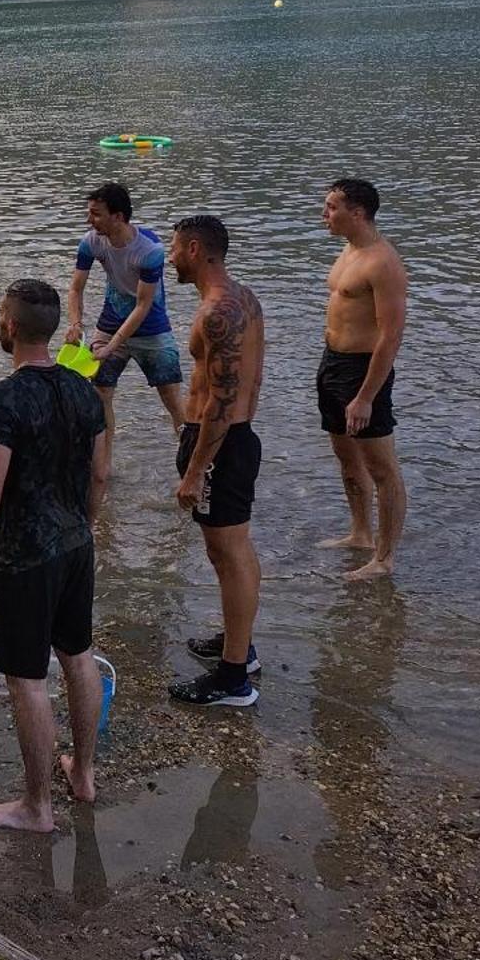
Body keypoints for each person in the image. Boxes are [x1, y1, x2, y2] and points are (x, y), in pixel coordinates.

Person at [0, 279, 109, 831]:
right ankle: (82, 776)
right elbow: (101, 472)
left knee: (28, 679)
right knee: (78, 656)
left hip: (24, 557)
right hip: (76, 544)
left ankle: (37, 807)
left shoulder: (5, 398)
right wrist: (85, 524)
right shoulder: (85, 388)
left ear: (11, 327)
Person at [168, 215, 265, 708]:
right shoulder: (243, 297)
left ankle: (233, 680)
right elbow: (253, 382)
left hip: (220, 445)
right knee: (230, 551)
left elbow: (222, 402)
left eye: (174, 248)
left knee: (229, 555)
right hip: (235, 439)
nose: (168, 257)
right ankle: (238, 648)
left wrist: (195, 469)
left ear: (194, 248)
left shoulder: (217, 312)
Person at [317, 178, 409, 581]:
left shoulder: (383, 262)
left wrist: (367, 396)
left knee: (382, 469)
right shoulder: (348, 251)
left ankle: (384, 559)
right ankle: (360, 533)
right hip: (332, 364)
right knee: (346, 458)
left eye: (332, 207)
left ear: (358, 213)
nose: (325, 214)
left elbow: (390, 336)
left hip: (363, 372)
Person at [66, 182, 185, 466]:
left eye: (95, 214)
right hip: (110, 321)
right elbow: (75, 289)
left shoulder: (150, 249)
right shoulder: (91, 241)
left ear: (118, 216)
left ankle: (195, 464)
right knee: (101, 393)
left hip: (151, 328)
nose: (89, 219)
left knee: (171, 398)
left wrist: (113, 346)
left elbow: (143, 305)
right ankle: (103, 466)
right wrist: (76, 322)